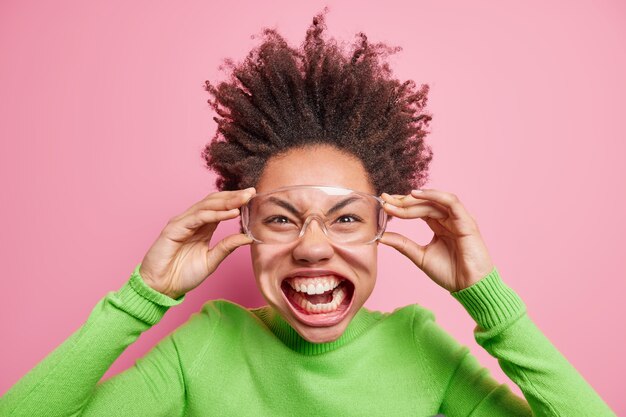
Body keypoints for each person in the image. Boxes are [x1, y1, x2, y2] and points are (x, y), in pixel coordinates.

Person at [0, 11, 616, 417]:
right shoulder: (207, 344)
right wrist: (143, 298)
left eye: (347, 218)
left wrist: (491, 302)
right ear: (244, 228)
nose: (313, 248)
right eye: (282, 218)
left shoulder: (419, 347)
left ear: (384, 229)